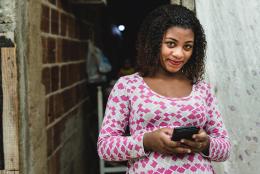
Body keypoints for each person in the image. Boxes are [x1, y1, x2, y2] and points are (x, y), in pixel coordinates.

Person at [97, 4, 231, 174]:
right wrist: (146, 141)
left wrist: (206, 145)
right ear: (154, 42)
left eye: (187, 46)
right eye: (171, 44)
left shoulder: (201, 88)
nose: (179, 54)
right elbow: (105, 147)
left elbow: (225, 148)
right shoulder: (128, 86)